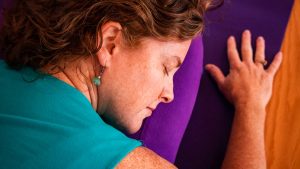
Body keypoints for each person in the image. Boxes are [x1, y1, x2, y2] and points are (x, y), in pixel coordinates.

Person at [0, 0, 282, 168]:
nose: (170, 93)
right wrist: (251, 106)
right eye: (167, 67)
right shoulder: (95, 150)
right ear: (110, 42)